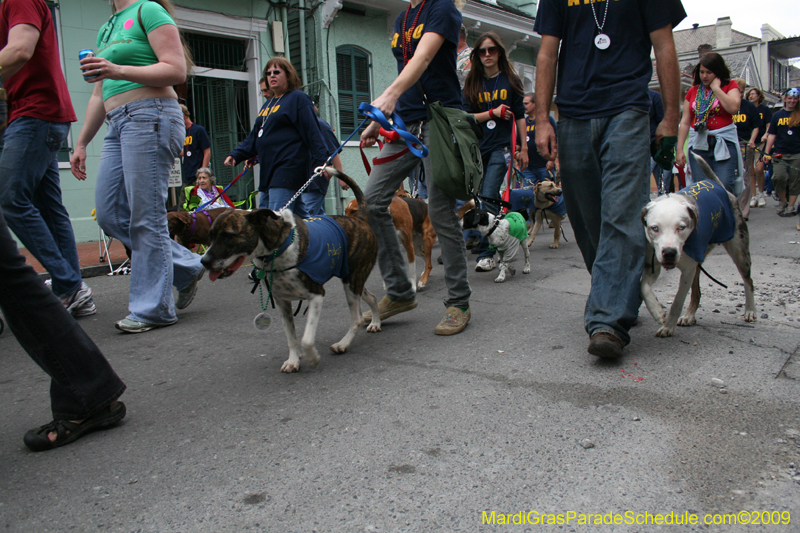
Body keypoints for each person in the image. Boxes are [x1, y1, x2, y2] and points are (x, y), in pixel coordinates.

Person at [534, 0, 685, 359]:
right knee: (586, 221)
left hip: (628, 109)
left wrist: (671, 116)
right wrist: (542, 119)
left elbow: (664, 45)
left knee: (620, 214)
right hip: (572, 112)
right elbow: (546, 55)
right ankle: (620, 293)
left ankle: (607, 322)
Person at [70, 0, 205, 334]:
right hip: (117, 124)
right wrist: (82, 142)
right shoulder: (108, 27)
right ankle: (187, 266)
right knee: (110, 212)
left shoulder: (147, 10)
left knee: (146, 217)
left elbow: (176, 71)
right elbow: (98, 96)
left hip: (151, 114)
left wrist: (118, 70)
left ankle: (153, 309)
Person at [361, 0, 472, 335]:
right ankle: (399, 292)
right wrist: (381, 121)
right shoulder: (403, 17)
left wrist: (390, 95)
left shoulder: (443, 9)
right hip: (406, 125)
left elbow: (423, 59)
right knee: (373, 201)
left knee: (439, 212)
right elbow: (405, 70)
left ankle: (459, 302)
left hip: (440, 121)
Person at [0, 0, 96, 318]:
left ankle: (69, 285)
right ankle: (72, 290)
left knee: (11, 198)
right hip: (42, 115)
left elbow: (19, 51)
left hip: (35, 114)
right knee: (50, 209)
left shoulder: (18, 0)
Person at [224, 58, 329, 217]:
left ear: (288, 75)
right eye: (268, 73)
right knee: (298, 219)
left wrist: (323, 161)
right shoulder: (268, 104)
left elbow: (313, 132)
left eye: (276, 72)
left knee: (274, 221)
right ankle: (317, 240)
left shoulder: (298, 98)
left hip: (287, 168)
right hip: (269, 172)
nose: (271, 76)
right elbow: (255, 136)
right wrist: (236, 154)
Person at [463, 31, 528, 273]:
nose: (487, 55)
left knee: (489, 193)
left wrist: (524, 147)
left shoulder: (511, 80)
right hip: (478, 147)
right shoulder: (472, 82)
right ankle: (498, 243)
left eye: (491, 50)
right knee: (480, 197)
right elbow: (466, 117)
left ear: (499, 52)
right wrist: (493, 113)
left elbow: (520, 115)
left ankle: (487, 253)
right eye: (482, 51)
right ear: (477, 55)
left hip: (502, 146)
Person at [677, 52, 743, 195]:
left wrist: (716, 89)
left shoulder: (730, 86)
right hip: (699, 143)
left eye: (709, 72)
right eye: (702, 72)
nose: (704, 76)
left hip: (723, 142)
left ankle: (726, 215)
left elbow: (733, 108)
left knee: (724, 185)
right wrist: (680, 149)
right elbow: (685, 121)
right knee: (701, 188)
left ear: (718, 72)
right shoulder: (693, 91)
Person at [301, 105, 346, 216]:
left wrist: (342, 178)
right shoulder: (298, 127)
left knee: (307, 217)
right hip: (301, 181)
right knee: (318, 216)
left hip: (315, 181)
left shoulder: (320, 125)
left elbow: (333, 153)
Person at [764, 87, 800, 217]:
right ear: (785, 98)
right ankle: (783, 201)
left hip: (797, 153)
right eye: (790, 98)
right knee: (778, 177)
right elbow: (772, 135)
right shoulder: (777, 115)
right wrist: (767, 152)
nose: (792, 101)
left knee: (795, 180)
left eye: (795, 99)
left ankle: (791, 206)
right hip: (780, 152)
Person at [732, 78, 761, 220]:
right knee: (730, 176)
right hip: (729, 144)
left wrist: (752, 140)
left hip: (744, 144)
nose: (738, 94)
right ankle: (732, 208)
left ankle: (744, 210)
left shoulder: (749, 107)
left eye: (741, 92)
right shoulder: (727, 105)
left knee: (745, 176)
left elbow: (756, 126)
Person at [521, 92, 556, 187]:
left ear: (535, 104)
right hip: (528, 167)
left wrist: (552, 160)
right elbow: (518, 143)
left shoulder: (546, 120)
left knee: (548, 193)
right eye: (522, 103)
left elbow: (555, 140)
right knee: (528, 194)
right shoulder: (523, 122)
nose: (523, 106)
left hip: (544, 166)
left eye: (526, 103)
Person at [179, 104, 210, 209]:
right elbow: (186, 151)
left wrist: (203, 172)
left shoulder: (198, 130)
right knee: (183, 208)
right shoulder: (182, 133)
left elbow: (207, 151)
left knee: (200, 207)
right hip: (188, 176)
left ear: (183, 115)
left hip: (197, 176)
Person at [747, 86, 772, 208]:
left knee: (759, 168)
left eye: (753, 94)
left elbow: (769, 125)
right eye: (749, 94)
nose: (751, 96)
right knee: (750, 170)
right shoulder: (746, 109)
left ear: (758, 96)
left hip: (761, 142)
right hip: (748, 142)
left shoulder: (764, 109)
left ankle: (761, 193)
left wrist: (766, 135)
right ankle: (753, 196)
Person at [649, 89, 674, 195]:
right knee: (642, 181)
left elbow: (663, 122)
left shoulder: (654, 97)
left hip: (655, 146)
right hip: (639, 148)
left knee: (663, 184)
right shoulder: (630, 97)